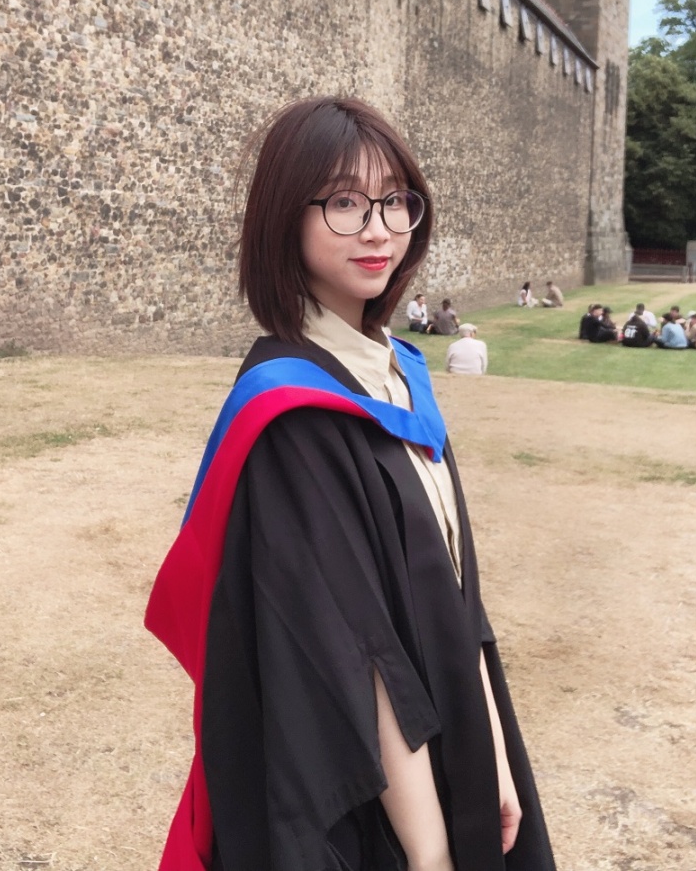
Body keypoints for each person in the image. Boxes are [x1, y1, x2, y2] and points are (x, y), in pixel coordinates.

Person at [146, 97, 556, 871]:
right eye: (344, 202)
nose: (378, 229)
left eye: (395, 200)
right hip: (376, 795)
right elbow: (355, 657)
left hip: (456, 728)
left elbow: (456, 588)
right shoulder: (294, 414)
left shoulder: (396, 373)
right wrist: (429, 848)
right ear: (285, 217)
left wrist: (494, 752)